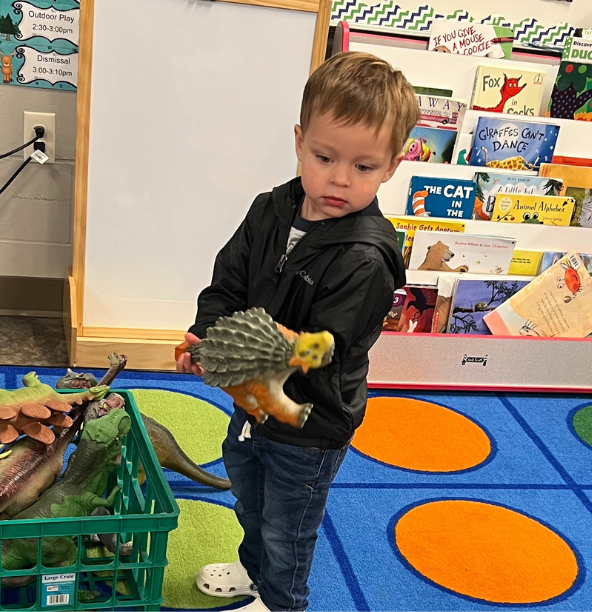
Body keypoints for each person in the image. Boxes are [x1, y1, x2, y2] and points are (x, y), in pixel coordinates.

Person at [176, 51, 417, 612]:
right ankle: (254, 572)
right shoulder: (270, 209)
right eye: (324, 156)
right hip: (253, 402)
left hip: (311, 423)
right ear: (299, 140)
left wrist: (269, 347)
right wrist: (206, 340)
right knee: (249, 499)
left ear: (391, 167)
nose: (338, 178)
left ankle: (281, 602)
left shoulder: (366, 257)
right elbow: (226, 286)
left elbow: (326, 347)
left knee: (289, 525)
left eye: (363, 167)